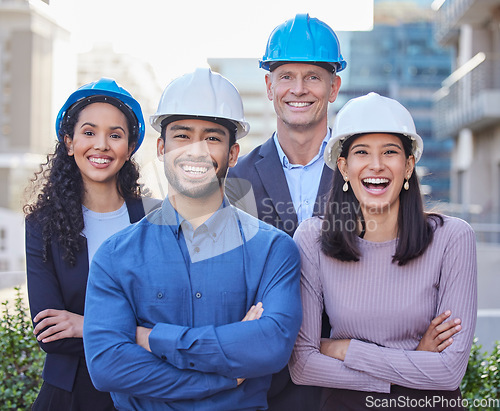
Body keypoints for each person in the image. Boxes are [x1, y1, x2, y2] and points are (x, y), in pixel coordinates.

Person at [82, 67, 302, 410]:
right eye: (182, 136)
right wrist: (225, 375)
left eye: (212, 138)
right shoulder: (115, 256)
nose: (196, 151)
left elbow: (271, 346)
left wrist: (153, 338)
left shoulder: (273, 250)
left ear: (233, 153)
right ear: (161, 147)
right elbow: (108, 366)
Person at [290, 92, 477, 410]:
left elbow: (448, 372)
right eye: (362, 152)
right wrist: (414, 361)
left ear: (408, 166)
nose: (376, 165)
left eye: (390, 152)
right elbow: (304, 365)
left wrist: (346, 349)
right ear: (344, 167)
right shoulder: (312, 239)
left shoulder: (453, 238)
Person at [225, 13, 345, 410]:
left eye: (312, 76)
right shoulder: (235, 179)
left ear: (333, 87)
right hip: (264, 383)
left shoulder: (363, 170)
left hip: (346, 376)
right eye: (286, 76)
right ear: (268, 85)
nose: (298, 89)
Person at [24, 78, 154, 410]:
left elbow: (168, 320)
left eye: (115, 135)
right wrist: (135, 333)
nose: (101, 145)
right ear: (69, 143)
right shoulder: (43, 225)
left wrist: (84, 325)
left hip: (143, 389)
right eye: (89, 132)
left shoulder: (154, 219)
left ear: (129, 148)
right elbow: (50, 334)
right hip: (68, 393)